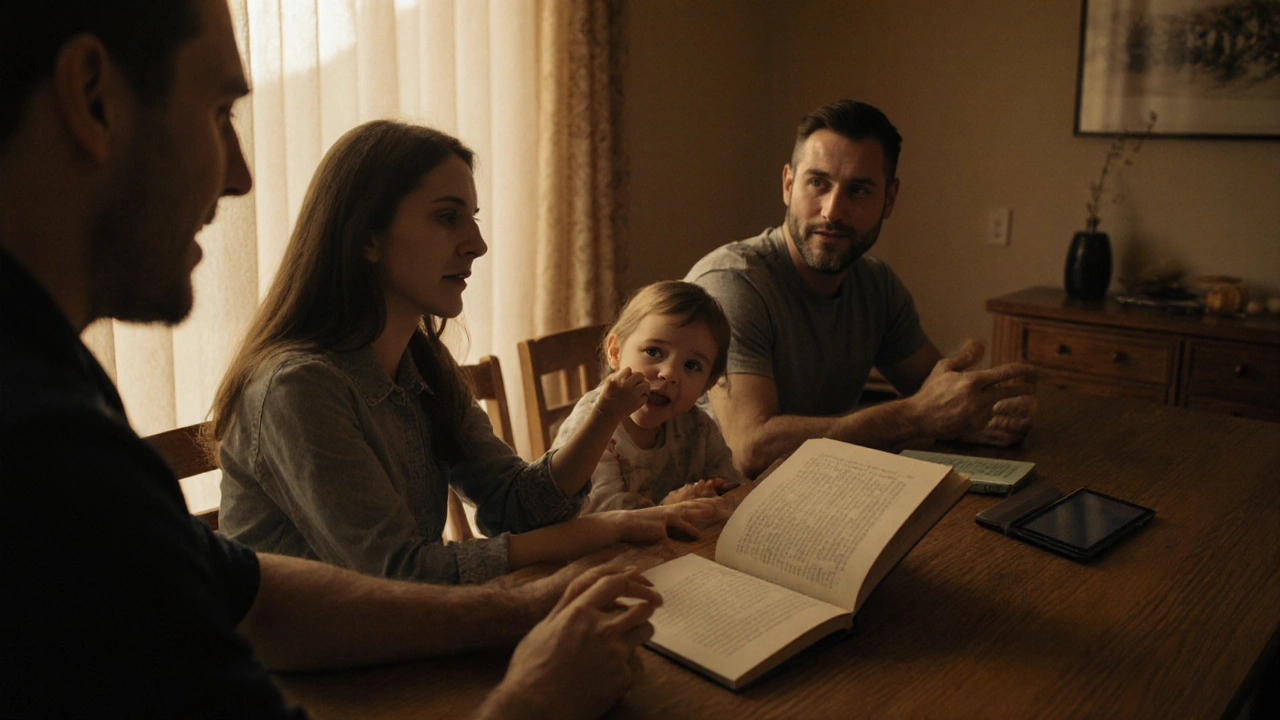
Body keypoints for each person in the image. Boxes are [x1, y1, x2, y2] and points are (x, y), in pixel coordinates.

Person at [0, 1, 660, 717]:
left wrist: (526, 611)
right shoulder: (48, 443)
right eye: (222, 111)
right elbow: (393, 574)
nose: (241, 177)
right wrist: (538, 696)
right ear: (94, 98)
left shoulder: (62, 385)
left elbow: (245, 586)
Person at [212, 119, 720, 585]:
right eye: (447, 218)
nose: (476, 243)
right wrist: (605, 529)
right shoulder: (296, 387)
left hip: (398, 642)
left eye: (472, 219)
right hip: (311, 674)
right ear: (367, 237)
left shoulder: (425, 366)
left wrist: (607, 420)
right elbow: (399, 575)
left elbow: (518, 504)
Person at [686, 100, 1037, 478]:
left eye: (858, 191)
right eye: (817, 183)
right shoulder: (732, 284)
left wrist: (992, 410)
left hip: (820, 489)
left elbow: (938, 394)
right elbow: (750, 450)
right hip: (710, 510)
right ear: (788, 184)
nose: (833, 211)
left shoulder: (876, 286)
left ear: (889, 200)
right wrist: (918, 415)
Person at [552, 281, 746, 513]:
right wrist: (669, 509)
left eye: (691, 365)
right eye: (654, 352)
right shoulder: (593, 425)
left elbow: (731, 486)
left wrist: (719, 493)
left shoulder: (698, 427)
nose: (669, 373)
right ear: (615, 352)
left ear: (708, 384)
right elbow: (596, 514)